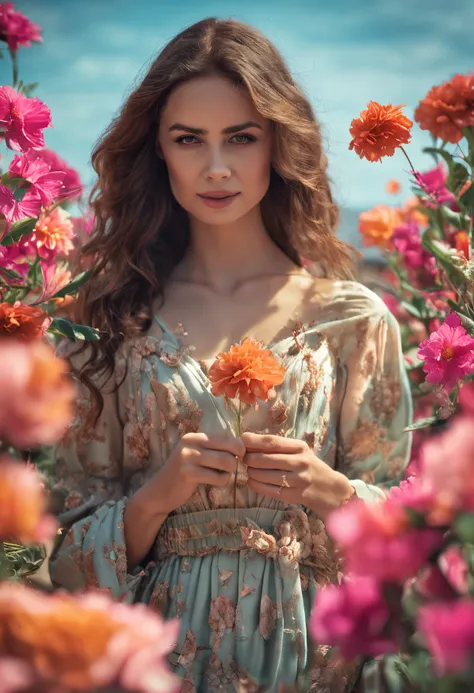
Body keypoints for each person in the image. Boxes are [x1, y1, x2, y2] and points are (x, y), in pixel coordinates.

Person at [49, 17, 413, 693]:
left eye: (241, 138)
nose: (216, 168)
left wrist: (328, 490)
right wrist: (157, 497)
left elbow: (412, 538)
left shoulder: (354, 322)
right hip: (156, 667)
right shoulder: (109, 325)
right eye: (190, 140)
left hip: (320, 664)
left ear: (277, 142)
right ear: (158, 148)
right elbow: (63, 557)